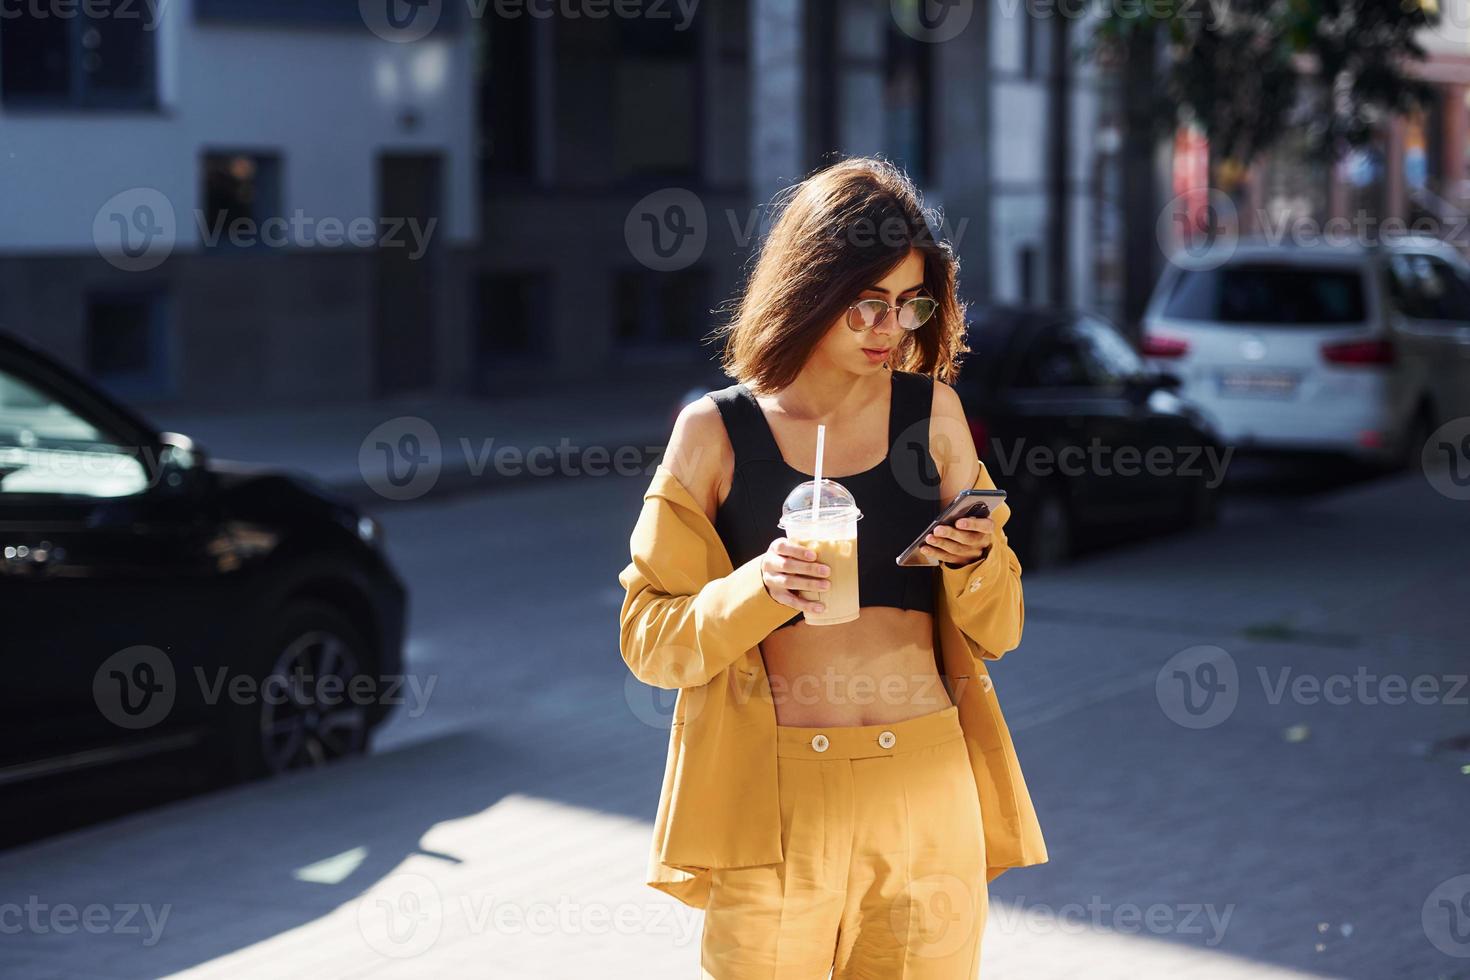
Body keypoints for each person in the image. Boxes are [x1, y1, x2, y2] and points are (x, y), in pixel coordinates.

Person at [617, 156, 1047, 978]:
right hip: (772, 799)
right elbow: (648, 638)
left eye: (910, 305)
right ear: (811, 288)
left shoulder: (935, 414)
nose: (892, 329)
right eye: (868, 306)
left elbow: (1003, 628)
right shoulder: (714, 432)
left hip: (928, 788)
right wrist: (759, 586)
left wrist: (976, 560)